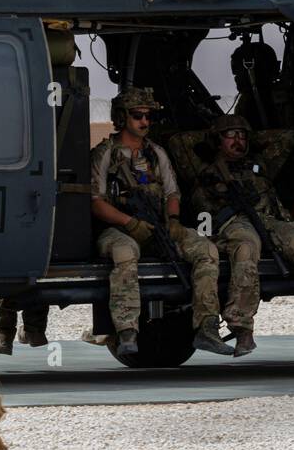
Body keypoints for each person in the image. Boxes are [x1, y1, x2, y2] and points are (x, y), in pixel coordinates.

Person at [89, 87, 233, 357]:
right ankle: (127, 330)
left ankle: (206, 326)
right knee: (124, 253)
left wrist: (175, 221)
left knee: (205, 250)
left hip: (158, 226)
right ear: (122, 117)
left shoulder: (156, 153)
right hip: (117, 229)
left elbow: (171, 193)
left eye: (148, 116)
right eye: (137, 116)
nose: (145, 122)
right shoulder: (106, 153)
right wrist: (130, 223)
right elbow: (96, 202)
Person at [191, 114, 294, 356]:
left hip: (271, 220)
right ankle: (242, 327)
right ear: (217, 140)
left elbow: (287, 136)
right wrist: (210, 135)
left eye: (242, 136)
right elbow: (181, 144)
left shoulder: (259, 164)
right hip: (234, 223)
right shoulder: (207, 172)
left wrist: (250, 133)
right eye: (230, 135)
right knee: (247, 246)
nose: (238, 141)